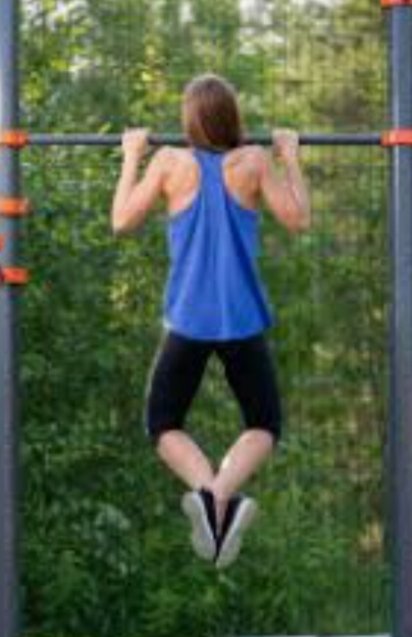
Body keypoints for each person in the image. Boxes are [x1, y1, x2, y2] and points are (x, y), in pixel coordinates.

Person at [111, 73, 311, 569]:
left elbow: (121, 221)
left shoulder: (168, 162)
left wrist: (132, 155)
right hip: (241, 318)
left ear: (189, 120)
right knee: (264, 423)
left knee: (163, 424)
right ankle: (219, 495)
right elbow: (299, 219)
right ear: (232, 117)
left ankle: (210, 495)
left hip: (188, 319)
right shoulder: (254, 162)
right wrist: (290, 157)